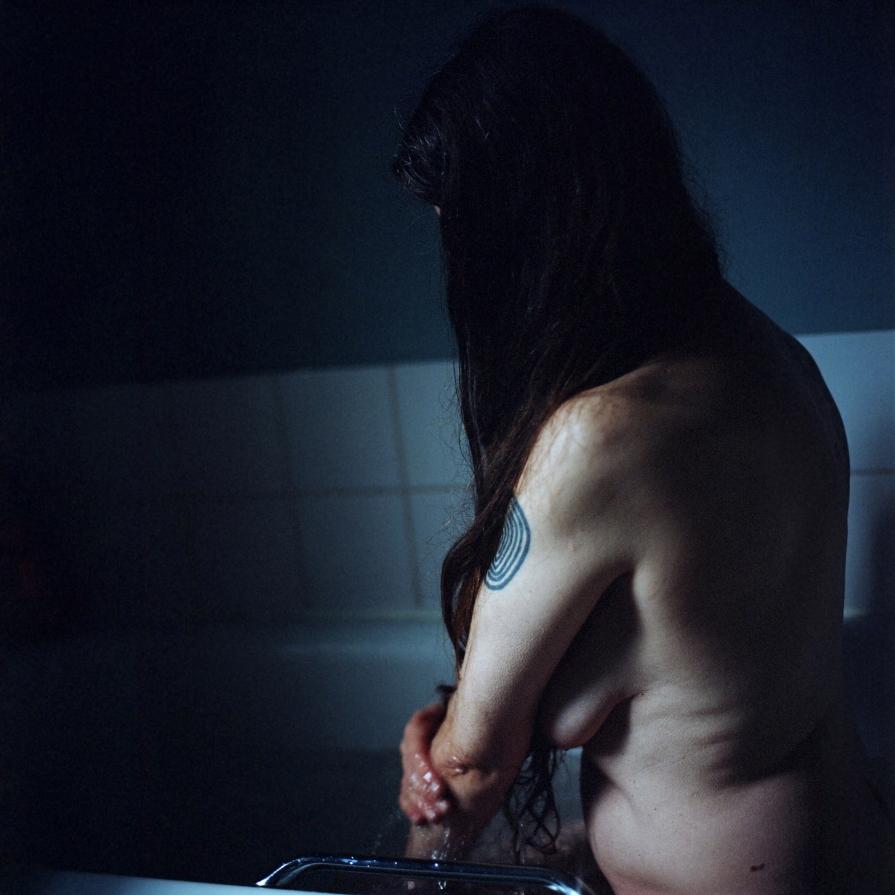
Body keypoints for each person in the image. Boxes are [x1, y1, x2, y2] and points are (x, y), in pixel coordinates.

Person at [390, 6, 894, 893]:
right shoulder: (774, 359)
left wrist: (405, 865)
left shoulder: (601, 439)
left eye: (457, 232)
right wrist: (449, 715)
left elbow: (474, 768)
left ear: (523, 234)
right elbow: (666, 658)